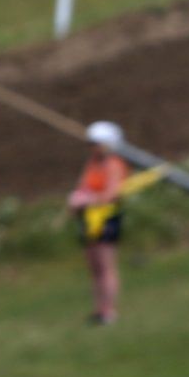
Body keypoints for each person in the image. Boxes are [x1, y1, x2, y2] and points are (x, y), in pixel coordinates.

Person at [68, 121, 130, 327]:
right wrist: (77, 200)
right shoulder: (92, 163)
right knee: (94, 267)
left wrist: (88, 200)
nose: (92, 147)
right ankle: (99, 309)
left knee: (105, 266)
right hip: (89, 218)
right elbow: (84, 186)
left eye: (96, 143)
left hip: (106, 217)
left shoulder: (114, 164)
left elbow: (112, 194)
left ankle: (109, 310)